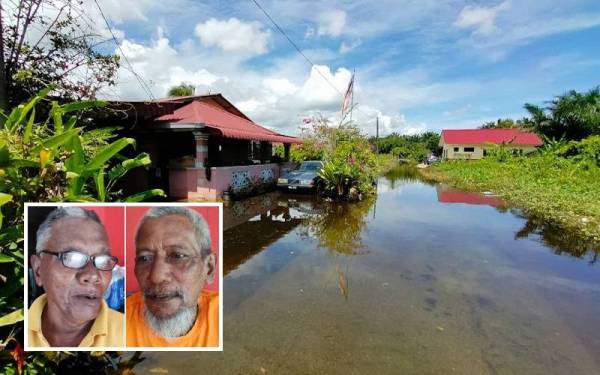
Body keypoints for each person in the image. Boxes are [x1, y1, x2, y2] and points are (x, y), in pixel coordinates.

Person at [28, 207, 124, 347]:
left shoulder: (128, 334)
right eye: (72, 258)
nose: (93, 275)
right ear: (38, 270)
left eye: (103, 260)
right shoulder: (15, 329)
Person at [126, 207, 219, 347]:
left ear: (209, 268)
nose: (156, 277)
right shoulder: (119, 323)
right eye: (144, 258)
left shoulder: (225, 315)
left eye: (178, 256)